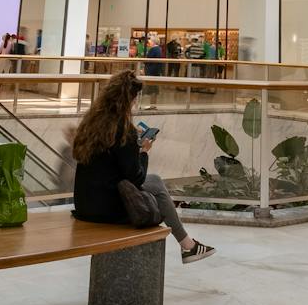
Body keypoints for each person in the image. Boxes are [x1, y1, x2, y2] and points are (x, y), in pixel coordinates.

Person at [71, 68, 214, 263]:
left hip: (84, 204)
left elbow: (112, 165)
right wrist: (143, 152)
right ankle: (187, 245)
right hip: (107, 209)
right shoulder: (124, 131)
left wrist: (132, 149)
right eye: (135, 98)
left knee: (155, 181)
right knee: (157, 187)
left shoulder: (93, 123)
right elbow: (135, 178)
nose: (135, 103)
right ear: (128, 100)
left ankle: (188, 244)